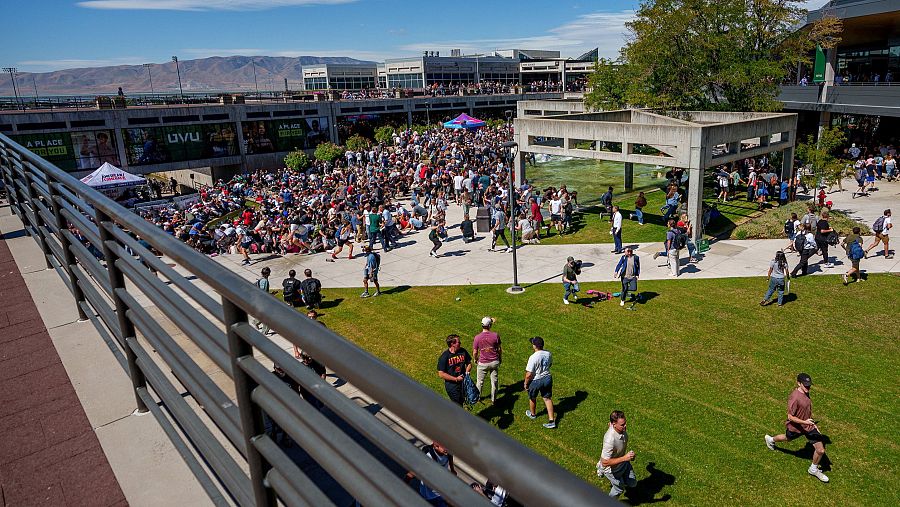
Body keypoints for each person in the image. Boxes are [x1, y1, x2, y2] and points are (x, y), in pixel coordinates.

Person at [764, 373, 830, 483]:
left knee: (820, 450)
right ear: (798, 383)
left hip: (808, 426)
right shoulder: (795, 397)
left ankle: (813, 469)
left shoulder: (806, 392)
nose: (808, 387)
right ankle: (770, 440)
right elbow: (790, 416)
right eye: (805, 385)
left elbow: (806, 410)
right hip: (796, 427)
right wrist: (805, 422)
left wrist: (812, 424)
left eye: (809, 385)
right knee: (787, 438)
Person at [597, 410, 637, 498]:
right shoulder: (609, 440)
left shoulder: (619, 429)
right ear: (614, 424)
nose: (625, 426)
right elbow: (605, 462)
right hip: (612, 470)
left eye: (625, 423)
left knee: (632, 483)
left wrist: (629, 457)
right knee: (619, 489)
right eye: (622, 425)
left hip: (623, 464)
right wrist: (625, 458)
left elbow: (610, 424)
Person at [404, 441, 457, 506]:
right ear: (436, 446)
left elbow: (450, 456)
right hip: (430, 494)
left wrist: (452, 469)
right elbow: (412, 473)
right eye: (445, 447)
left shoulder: (447, 453)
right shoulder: (429, 458)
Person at [523, 336, 555, 429]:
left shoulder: (533, 357)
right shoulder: (548, 353)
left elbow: (529, 374)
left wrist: (526, 383)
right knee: (547, 398)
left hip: (536, 380)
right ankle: (551, 420)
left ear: (535, 346)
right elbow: (550, 364)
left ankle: (533, 414)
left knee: (532, 397)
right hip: (547, 377)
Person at [473, 317, 502, 404]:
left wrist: (475, 359)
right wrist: (500, 358)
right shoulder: (495, 335)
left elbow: (475, 352)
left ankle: (477, 398)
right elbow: (499, 349)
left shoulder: (477, 337)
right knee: (494, 382)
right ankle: (494, 400)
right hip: (494, 362)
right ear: (489, 325)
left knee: (480, 382)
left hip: (483, 363)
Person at [436, 334, 471, 406]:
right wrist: (456, 379)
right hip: (452, 386)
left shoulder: (463, 351)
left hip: (463, 382)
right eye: (459, 342)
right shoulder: (444, 357)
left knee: (462, 401)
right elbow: (441, 374)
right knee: (457, 405)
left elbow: (469, 363)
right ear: (452, 344)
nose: (460, 343)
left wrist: (467, 373)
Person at [252, 267, 273, 335]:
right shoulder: (265, 281)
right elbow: (263, 293)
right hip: (264, 301)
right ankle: (264, 331)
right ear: (268, 273)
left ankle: (255, 322)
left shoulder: (261, 280)